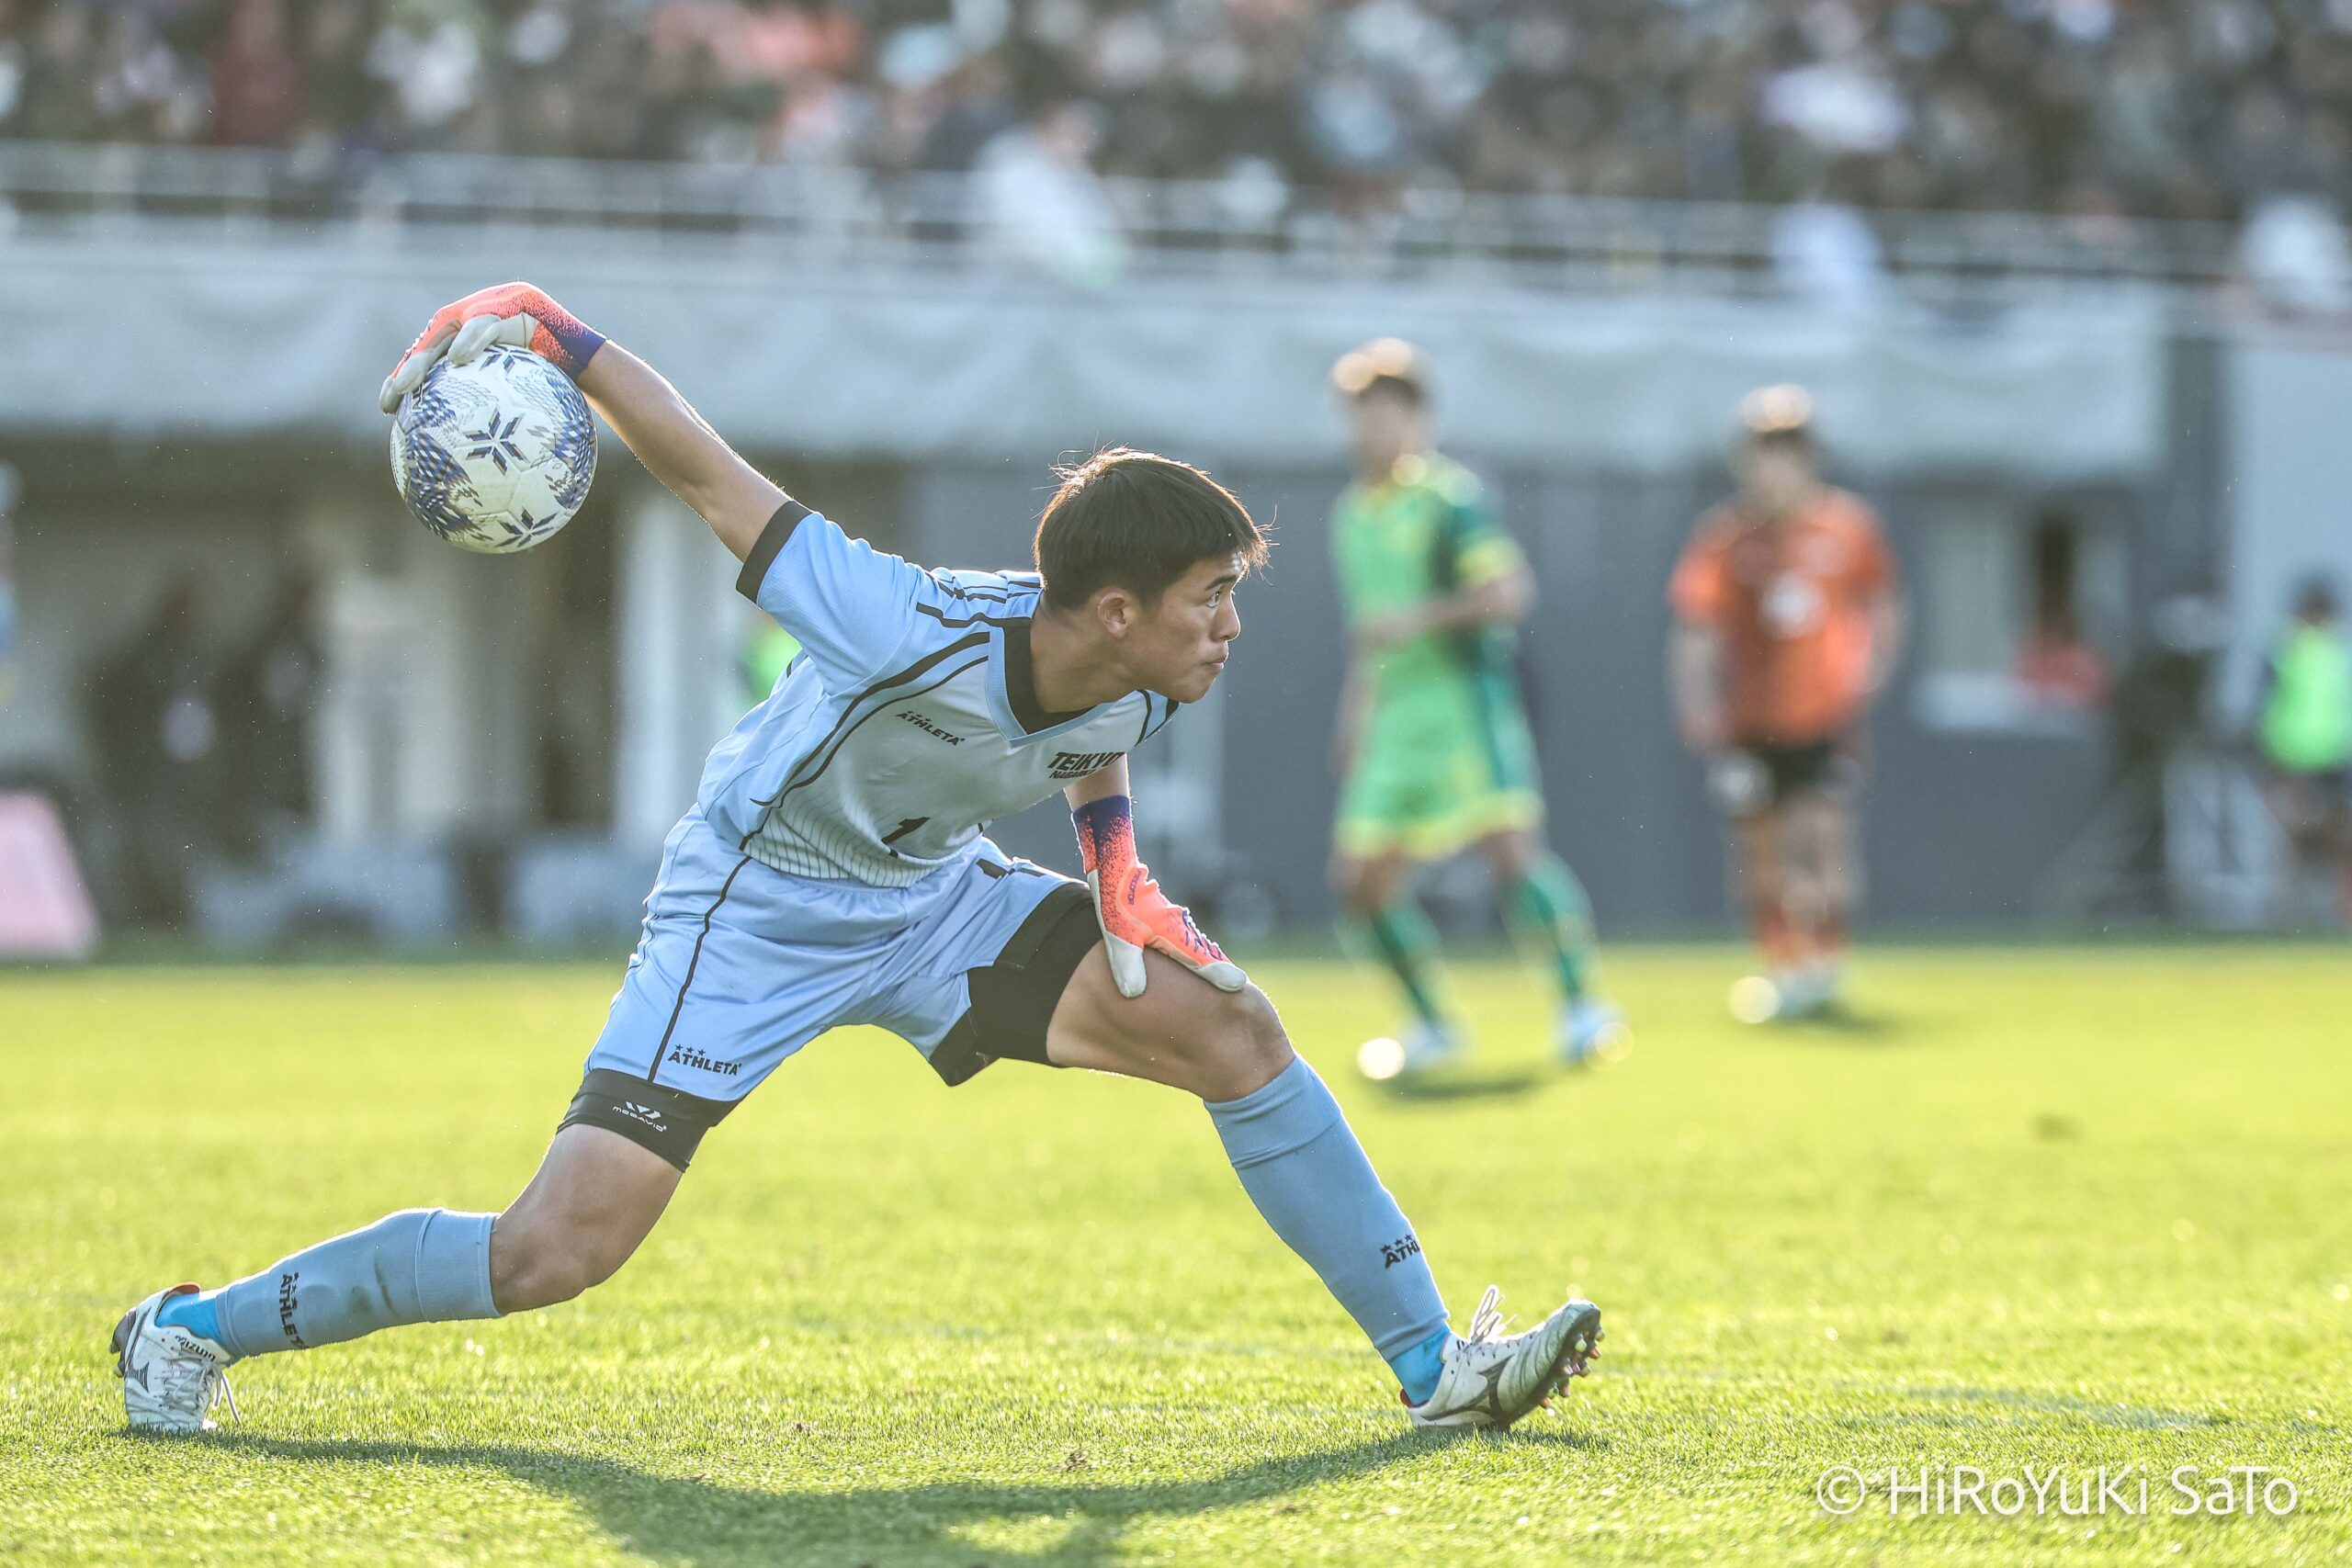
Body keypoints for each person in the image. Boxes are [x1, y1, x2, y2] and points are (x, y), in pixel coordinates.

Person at [111, 284, 1601, 1437]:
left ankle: (1435, 1366)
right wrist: (556, 333)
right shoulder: (898, 616)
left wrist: (1115, 861)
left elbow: (1094, 742)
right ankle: (191, 1326)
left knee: (1236, 1029)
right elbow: (709, 479)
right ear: (1110, 603)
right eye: (1210, 597)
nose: (1231, 625)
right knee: (555, 1251)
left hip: (926, 902)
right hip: (751, 909)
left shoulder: (1143, 671)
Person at [1324, 339, 1622, 1076]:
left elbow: (1507, 593)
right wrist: (1356, 717)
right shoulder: (1352, 517)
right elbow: (1368, 637)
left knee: (1511, 855)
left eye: (1393, 414)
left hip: (1464, 705)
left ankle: (1583, 1006)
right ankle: (1431, 1024)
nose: (1378, 430)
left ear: (1420, 420)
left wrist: (1418, 618)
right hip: (1396, 718)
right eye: (1365, 415)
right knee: (1359, 882)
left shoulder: (1449, 499)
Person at [1668, 386, 1903, 1021]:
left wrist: (1869, 672)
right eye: (1764, 452)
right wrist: (1697, 702)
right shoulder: (1724, 538)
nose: (1775, 467)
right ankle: (1781, 966)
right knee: (1760, 854)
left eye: (1788, 452)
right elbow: (1696, 626)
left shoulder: (1848, 528)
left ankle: (1826, 962)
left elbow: (1882, 606)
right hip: (1750, 723)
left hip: (1825, 718)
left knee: (1824, 841)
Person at [2255, 576, 2352, 924]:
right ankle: (2337, 917)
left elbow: (2265, 707)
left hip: (2294, 760)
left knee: (2291, 844)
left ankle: (2289, 918)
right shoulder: (2337, 649)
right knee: (2337, 843)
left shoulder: (2283, 647)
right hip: (2327, 761)